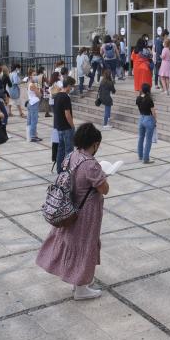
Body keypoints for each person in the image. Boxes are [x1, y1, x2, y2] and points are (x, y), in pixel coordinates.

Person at [36, 123, 110, 300]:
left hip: (69, 208)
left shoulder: (72, 155)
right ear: (95, 144)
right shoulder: (91, 164)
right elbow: (104, 189)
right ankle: (81, 288)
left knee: (73, 242)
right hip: (86, 212)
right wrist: (105, 175)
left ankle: (80, 281)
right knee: (85, 245)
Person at [53, 77, 76, 173]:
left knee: (60, 149)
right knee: (69, 151)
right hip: (67, 128)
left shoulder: (57, 95)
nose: (72, 89)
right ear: (69, 86)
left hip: (59, 127)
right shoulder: (66, 97)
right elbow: (67, 114)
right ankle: (67, 171)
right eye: (72, 86)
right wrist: (72, 126)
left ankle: (59, 169)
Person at [135, 83, 157, 164]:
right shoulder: (149, 99)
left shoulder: (138, 98)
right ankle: (146, 158)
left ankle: (140, 156)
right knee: (148, 140)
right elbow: (153, 112)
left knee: (141, 137)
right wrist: (155, 120)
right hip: (148, 118)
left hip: (141, 117)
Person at [26, 68, 42, 142]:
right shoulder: (32, 85)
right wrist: (39, 93)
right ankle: (33, 136)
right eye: (34, 75)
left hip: (31, 102)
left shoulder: (29, 83)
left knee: (30, 120)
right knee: (34, 120)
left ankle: (29, 135)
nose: (35, 76)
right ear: (30, 76)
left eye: (36, 75)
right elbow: (39, 94)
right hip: (33, 103)